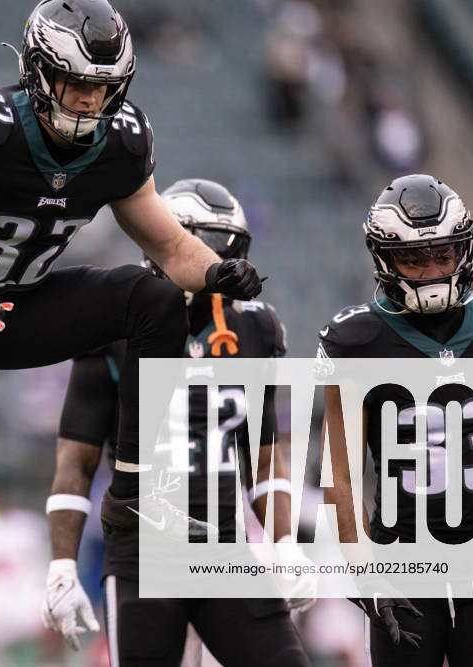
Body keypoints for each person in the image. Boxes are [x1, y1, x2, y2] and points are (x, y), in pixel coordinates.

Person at [0, 0, 264, 527]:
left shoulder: (121, 141)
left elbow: (170, 248)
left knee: (155, 296)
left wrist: (217, 273)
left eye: (101, 86)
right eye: (73, 82)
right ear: (36, 72)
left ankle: (134, 491)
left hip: (16, 306)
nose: (88, 98)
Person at [41, 179, 311, 666]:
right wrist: (62, 566)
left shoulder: (254, 327)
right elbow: (75, 460)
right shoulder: (110, 324)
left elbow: (264, 453)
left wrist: (285, 543)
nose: (222, 266)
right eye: (211, 247)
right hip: (144, 557)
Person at [319, 175, 473, 666]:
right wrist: (363, 574)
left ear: (465, 250)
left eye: (443, 254)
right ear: (384, 258)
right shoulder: (356, 341)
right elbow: (343, 474)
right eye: (414, 259)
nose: (433, 270)